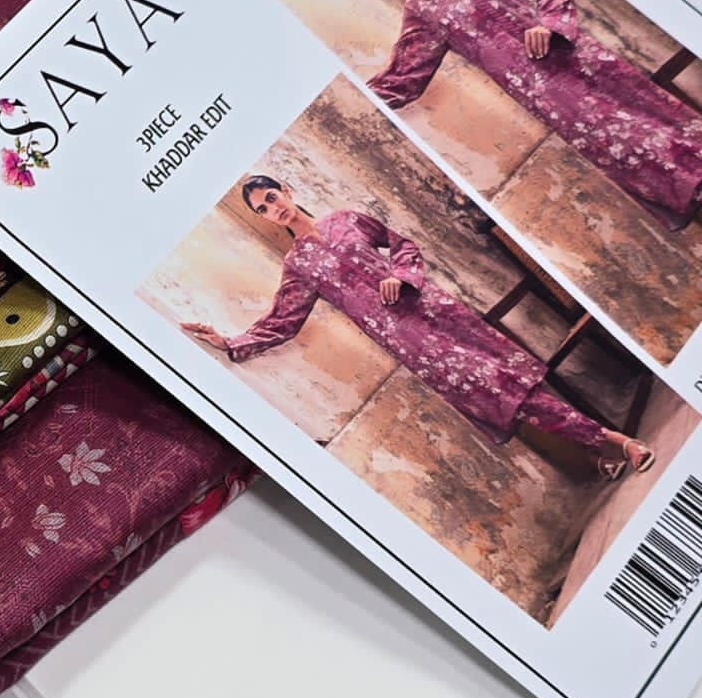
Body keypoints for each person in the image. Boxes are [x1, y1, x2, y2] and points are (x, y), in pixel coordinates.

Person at [183, 176, 655, 480]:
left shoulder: (346, 220)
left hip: (435, 309)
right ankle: (614, 442)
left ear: (286, 189)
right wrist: (230, 342)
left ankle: (595, 450)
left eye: (272, 197)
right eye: (264, 210)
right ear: (266, 220)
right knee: (497, 389)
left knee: (513, 377)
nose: (274, 208)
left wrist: (401, 275)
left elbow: (401, 244)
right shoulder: (298, 266)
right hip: (413, 342)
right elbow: (282, 321)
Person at [351, 0, 702, 230]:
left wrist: (548, 24)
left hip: (578, 56)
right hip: (548, 94)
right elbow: (402, 77)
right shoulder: (421, 8)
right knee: (620, 144)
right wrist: (347, 88)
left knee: (651, 114)